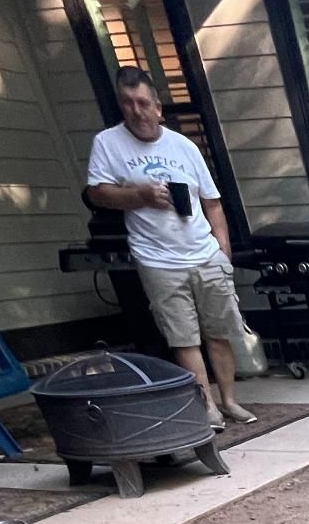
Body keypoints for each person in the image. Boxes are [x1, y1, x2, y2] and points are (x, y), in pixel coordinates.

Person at [85, 67, 255, 431]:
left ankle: (229, 400)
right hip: (158, 259)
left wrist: (223, 251)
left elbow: (212, 202)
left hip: (204, 252)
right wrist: (139, 195)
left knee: (219, 331)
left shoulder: (183, 146)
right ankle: (206, 407)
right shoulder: (108, 144)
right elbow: (97, 193)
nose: (136, 111)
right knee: (183, 337)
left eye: (143, 103)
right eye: (127, 103)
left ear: (158, 107)